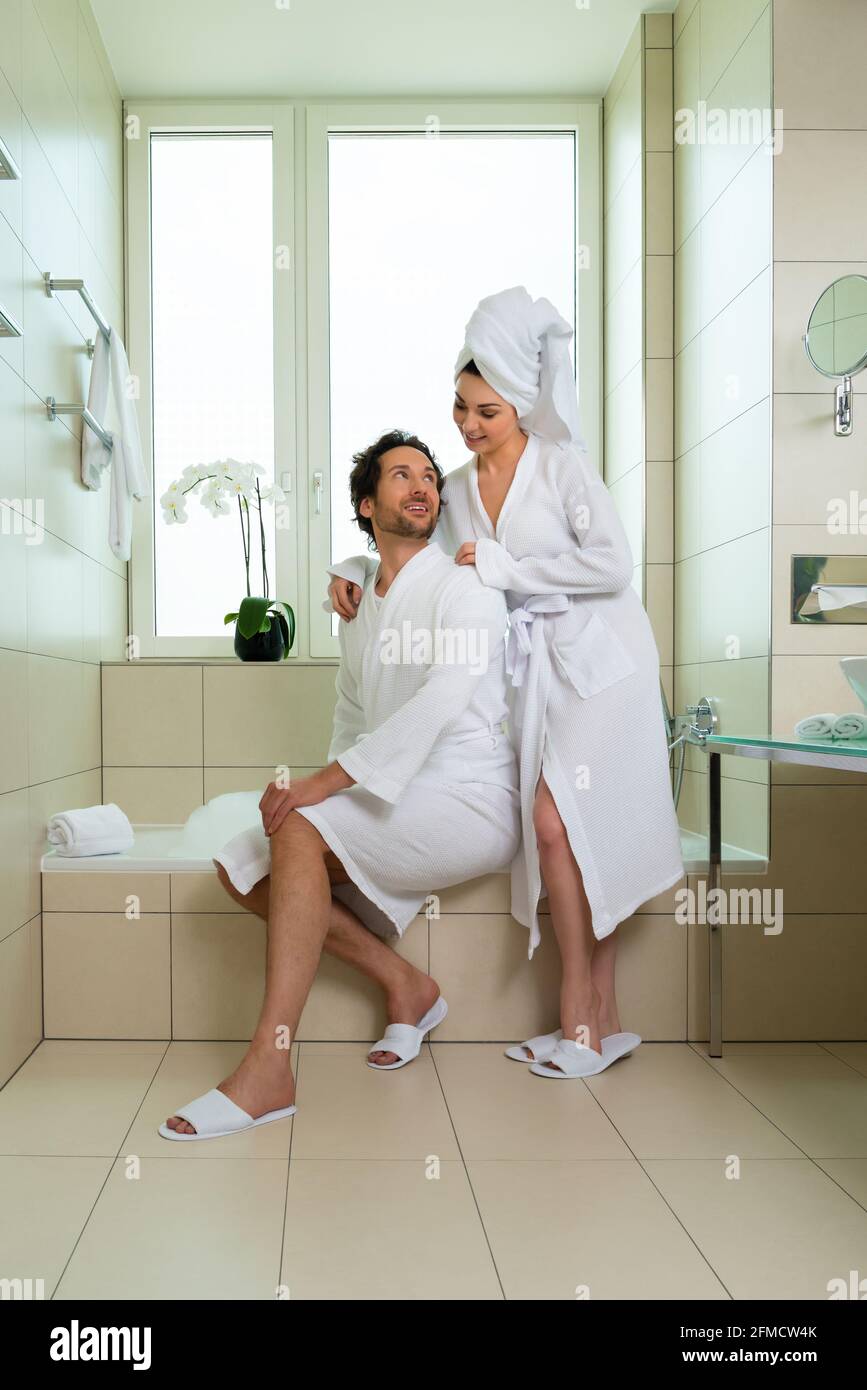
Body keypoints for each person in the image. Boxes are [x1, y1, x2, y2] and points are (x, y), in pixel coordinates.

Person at [326, 286, 685, 1080]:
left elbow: (612, 566)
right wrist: (349, 569)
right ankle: (605, 1019)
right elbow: (407, 539)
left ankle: (578, 1021)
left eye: (485, 411)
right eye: (460, 406)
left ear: (522, 405)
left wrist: (510, 567)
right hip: (531, 674)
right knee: (561, 828)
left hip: (601, 666)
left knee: (561, 823)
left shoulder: (562, 468)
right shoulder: (452, 487)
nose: (467, 424)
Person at [159, 429, 520, 1139]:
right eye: (400, 475)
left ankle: (269, 1066)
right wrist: (330, 787)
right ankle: (406, 985)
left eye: (427, 476)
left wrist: (324, 789)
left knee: (300, 824)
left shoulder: (465, 588)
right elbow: (352, 715)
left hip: (470, 796)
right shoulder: (358, 602)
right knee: (242, 867)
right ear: (365, 502)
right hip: (399, 790)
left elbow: (442, 702)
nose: (421, 485)